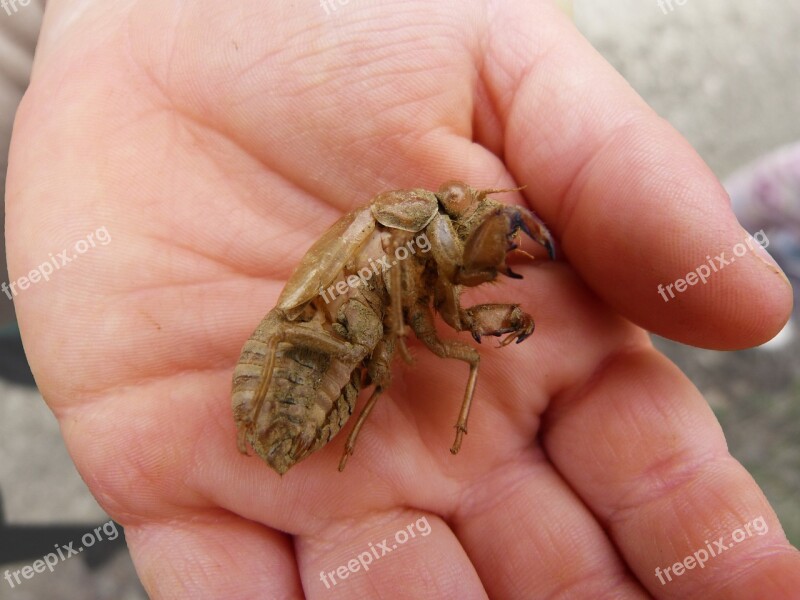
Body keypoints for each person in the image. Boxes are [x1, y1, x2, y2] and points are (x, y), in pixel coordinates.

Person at [6, 1, 799, 597]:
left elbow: (446, 318)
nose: (473, 219)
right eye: (459, 212)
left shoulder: (420, 259)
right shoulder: (409, 244)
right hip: (305, 350)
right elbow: (431, 322)